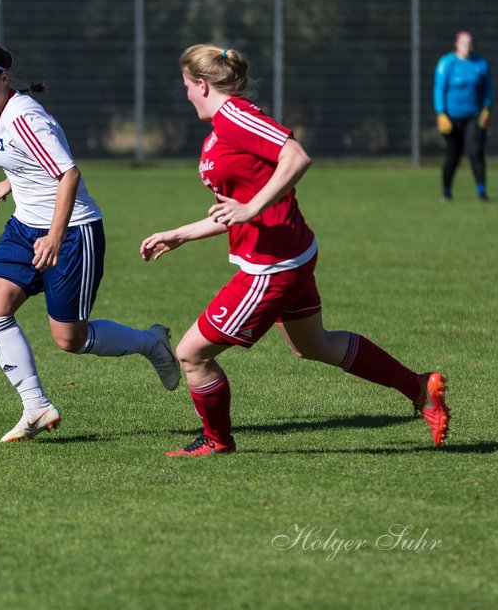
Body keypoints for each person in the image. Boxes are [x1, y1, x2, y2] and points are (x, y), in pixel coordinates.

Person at [139, 44, 450, 457]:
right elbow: (234, 210)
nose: (186, 95)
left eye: (186, 86)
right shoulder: (222, 129)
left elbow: (296, 156)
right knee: (313, 345)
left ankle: (216, 441)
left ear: (201, 84)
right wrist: (181, 233)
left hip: (272, 265)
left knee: (191, 354)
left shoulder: (235, 116)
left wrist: (252, 207)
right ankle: (419, 387)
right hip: (290, 253)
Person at [0, 40, 180, 442]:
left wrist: (55, 237)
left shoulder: (24, 116)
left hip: (73, 232)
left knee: (70, 339)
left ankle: (152, 344)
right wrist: (12, 181)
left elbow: (68, 175)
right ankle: (36, 406)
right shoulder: (2, 111)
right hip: (25, 227)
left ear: (3, 79)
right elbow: (38, 160)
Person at [433, 29, 492, 202]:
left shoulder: (480, 64)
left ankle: (482, 191)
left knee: (476, 152)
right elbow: (439, 88)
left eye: (470, 43)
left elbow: (487, 88)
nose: (468, 47)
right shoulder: (447, 63)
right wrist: (440, 113)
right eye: (465, 43)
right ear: (456, 45)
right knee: (454, 154)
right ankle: (446, 190)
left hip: (474, 115)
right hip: (451, 116)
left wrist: (487, 108)